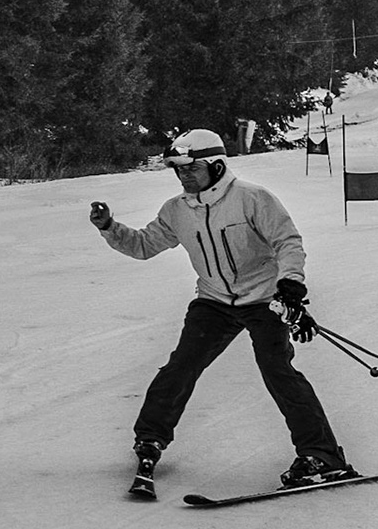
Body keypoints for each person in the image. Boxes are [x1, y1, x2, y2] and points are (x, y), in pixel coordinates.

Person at [88, 128, 356, 489]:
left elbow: (287, 242)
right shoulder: (177, 210)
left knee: (277, 369)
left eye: (191, 168)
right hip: (214, 301)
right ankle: (150, 439)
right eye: (179, 170)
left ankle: (322, 455)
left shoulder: (252, 198)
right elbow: (144, 245)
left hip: (263, 299)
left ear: (216, 166)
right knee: (180, 367)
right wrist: (109, 227)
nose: (184, 176)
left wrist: (291, 285)